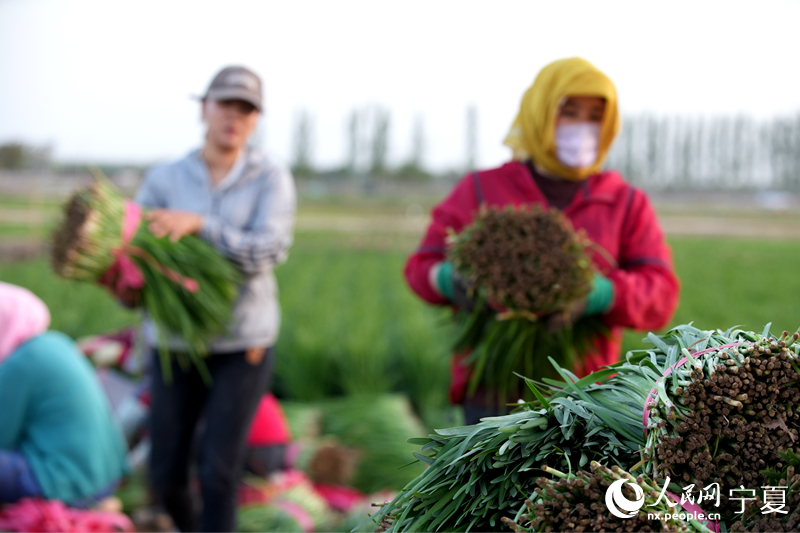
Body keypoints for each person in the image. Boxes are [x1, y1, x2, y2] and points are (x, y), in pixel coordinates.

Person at [404, 57, 680, 424]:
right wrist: (448, 280)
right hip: (493, 394)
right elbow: (420, 268)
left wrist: (600, 294)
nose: (582, 126)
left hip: (589, 397)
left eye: (595, 116)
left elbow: (661, 294)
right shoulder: (482, 189)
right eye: (569, 112)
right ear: (540, 112)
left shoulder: (625, 202)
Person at [133, 65, 296, 532]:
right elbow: (139, 250)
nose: (234, 117)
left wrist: (200, 225)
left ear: (256, 119)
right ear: (204, 107)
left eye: (246, 109)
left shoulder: (270, 177)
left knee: (218, 471)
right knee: (164, 474)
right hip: (174, 341)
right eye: (225, 104)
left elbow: (269, 249)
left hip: (243, 343)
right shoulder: (165, 178)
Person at [0, 282, 128, 507]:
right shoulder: (54, 341)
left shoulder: (19, 364)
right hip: (104, 477)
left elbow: (3, 437)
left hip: (67, 484)